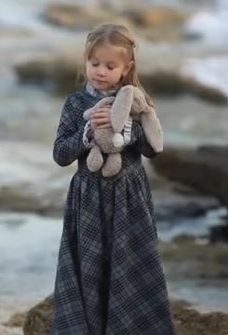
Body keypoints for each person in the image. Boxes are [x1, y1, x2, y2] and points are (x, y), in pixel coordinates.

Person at [51, 23, 175, 334]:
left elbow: (152, 149)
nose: (101, 72)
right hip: (89, 198)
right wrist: (89, 133)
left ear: (126, 68)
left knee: (130, 267)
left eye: (110, 66)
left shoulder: (136, 101)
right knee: (91, 269)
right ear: (85, 61)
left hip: (129, 198)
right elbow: (60, 153)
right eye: (95, 64)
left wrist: (125, 130)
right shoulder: (76, 104)